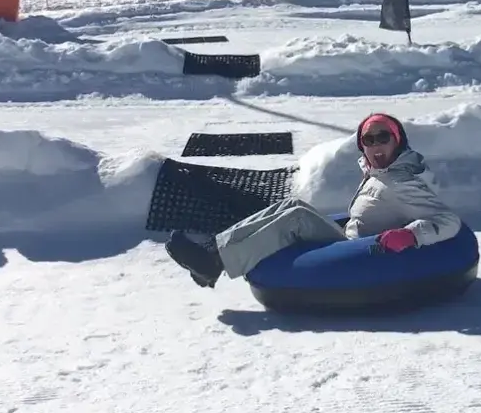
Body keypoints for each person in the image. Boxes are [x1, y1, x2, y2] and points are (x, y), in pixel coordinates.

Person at [164, 113, 463, 287]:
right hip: (352, 240)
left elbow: (448, 221)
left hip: (360, 252)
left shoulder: (402, 181)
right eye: (368, 141)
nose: (375, 145)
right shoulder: (381, 174)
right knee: (292, 205)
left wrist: (411, 235)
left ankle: (215, 262)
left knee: (296, 219)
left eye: (382, 137)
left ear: (398, 141)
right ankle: (213, 250)